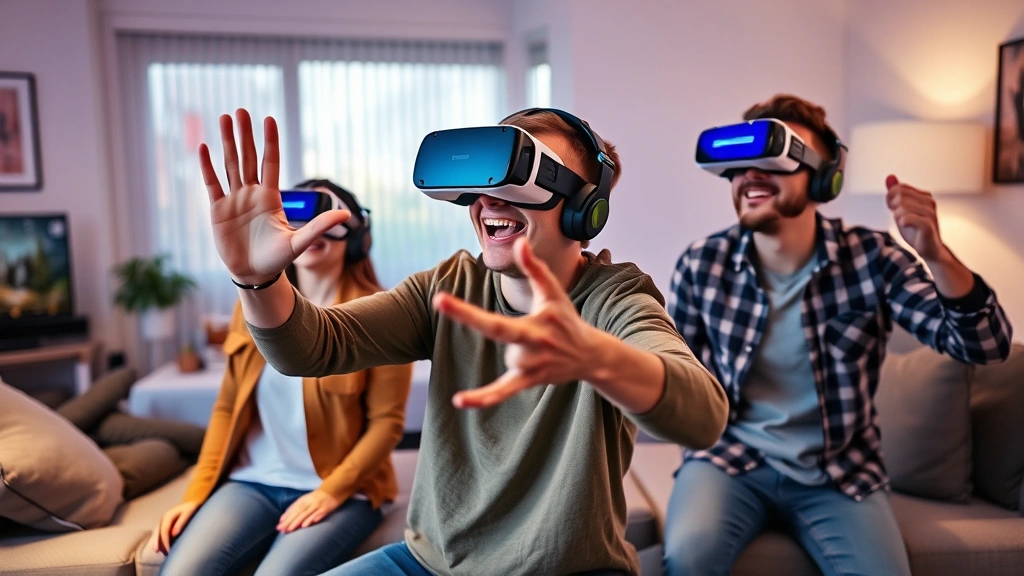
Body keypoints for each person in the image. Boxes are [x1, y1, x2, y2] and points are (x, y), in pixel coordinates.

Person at [197, 108, 728, 576]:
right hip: (428, 563)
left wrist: (598, 357)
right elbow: (310, 348)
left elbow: (703, 415)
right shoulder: (451, 286)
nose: (490, 200)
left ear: (583, 212)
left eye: (523, 181)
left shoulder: (616, 299)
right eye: (486, 180)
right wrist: (257, 280)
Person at [664, 94, 1013, 576]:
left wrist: (937, 254)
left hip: (840, 474)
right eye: (741, 165)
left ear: (824, 176)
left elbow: (985, 346)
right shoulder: (701, 265)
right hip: (728, 462)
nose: (752, 175)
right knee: (688, 557)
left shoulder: (873, 258)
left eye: (777, 159)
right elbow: (682, 387)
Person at [154, 179, 413, 576]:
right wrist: (196, 494)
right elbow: (226, 407)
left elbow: (387, 426)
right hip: (253, 481)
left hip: (345, 491)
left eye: (324, 216)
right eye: (295, 217)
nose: (309, 228)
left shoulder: (383, 314)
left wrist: (331, 492)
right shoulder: (252, 306)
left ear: (357, 235)